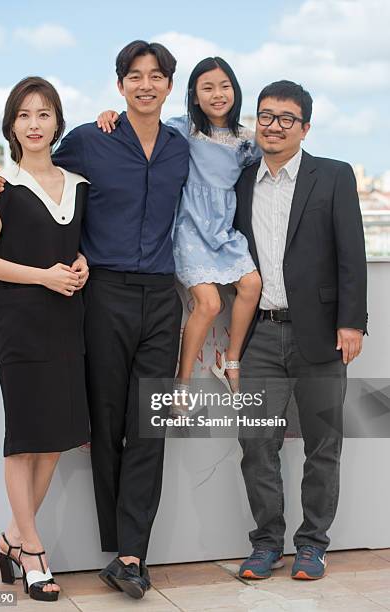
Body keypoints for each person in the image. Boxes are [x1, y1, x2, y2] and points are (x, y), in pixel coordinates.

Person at [0, 41, 189, 601]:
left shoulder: (181, 146)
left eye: (157, 76)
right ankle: (68, 545)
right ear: (119, 85)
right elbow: (31, 176)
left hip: (162, 296)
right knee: (102, 423)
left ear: (169, 85)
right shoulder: (91, 141)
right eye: (135, 76)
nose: (146, 85)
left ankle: (131, 555)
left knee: (149, 424)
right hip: (101, 298)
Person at [234, 80, 367, 581]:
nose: (273, 125)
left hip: (322, 335)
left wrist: (352, 321)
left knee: (323, 444)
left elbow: (352, 253)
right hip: (260, 337)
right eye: (265, 116)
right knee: (255, 446)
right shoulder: (242, 180)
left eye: (286, 118)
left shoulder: (331, 175)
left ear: (304, 127)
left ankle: (312, 544)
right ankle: (267, 543)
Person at [0, 76, 90, 602]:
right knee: (23, 441)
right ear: (11, 125)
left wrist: (80, 265)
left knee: (57, 437)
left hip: (68, 320)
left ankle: (12, 538)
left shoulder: (78, 184)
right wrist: (44, 275)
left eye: (44, 114)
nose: (35, 124)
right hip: (20, 322)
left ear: (57, 122)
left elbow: (77, 245)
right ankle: (34, 552)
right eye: (24, 115)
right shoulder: (1, 188)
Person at [97, 57, 262, 396]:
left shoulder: (247, 140)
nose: (218, 94)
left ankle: (231, 361)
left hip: (222, 229)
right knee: (210, 303)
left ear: (236, 90)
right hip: (188, 228)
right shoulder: (180, 128)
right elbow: (139, 124)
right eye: (207, 88)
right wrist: (109, 114)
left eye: (225, 86)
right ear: (193, 95)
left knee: (252, 284)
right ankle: (182, 384)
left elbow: (275, 160)